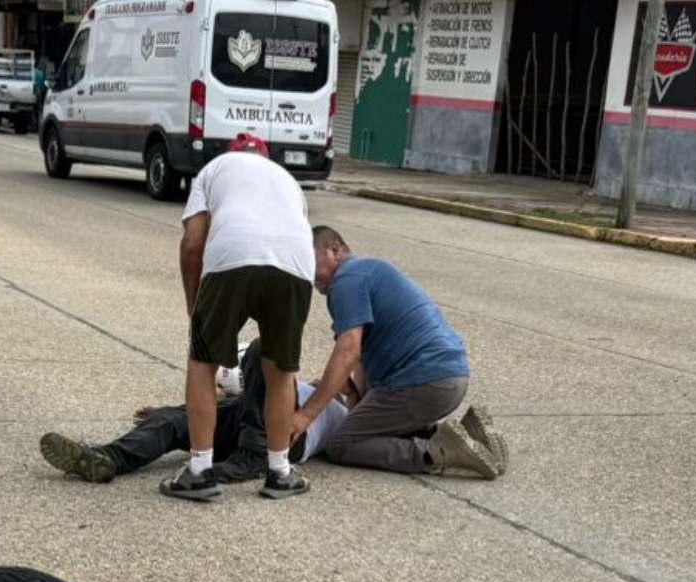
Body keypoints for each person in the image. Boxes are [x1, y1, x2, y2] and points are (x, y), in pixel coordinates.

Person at [164, 135, 313, 504]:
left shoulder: (213, 169)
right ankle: (280, 472)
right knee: (280, 371)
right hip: (295, 266)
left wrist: (194, 305)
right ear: (266, 158)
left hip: (232, 256)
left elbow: (193, 244)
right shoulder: (288, 181)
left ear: (232, 154)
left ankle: (200, 471)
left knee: (203, 363)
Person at [297, 227, 502, 479]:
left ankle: (437, 452)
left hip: (422, 382)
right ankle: (468, 438)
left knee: (343, 444)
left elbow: (348, 352)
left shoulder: (345, 281)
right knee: (375, 431)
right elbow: (359, 359)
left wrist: (306, 414)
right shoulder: (369, 270)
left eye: (309, 257)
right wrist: (351, 396)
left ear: (336, 250)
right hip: (449, 378)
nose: (305, 269)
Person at [40, 338, 353, 485]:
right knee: (176, 420)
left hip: (285, 434)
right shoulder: (317, 390)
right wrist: (171, 410)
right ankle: (107, 459)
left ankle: (255, 458)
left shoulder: (342, 416)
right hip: (248, 416)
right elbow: (248, 399)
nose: (340, 384)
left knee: (265, 347)